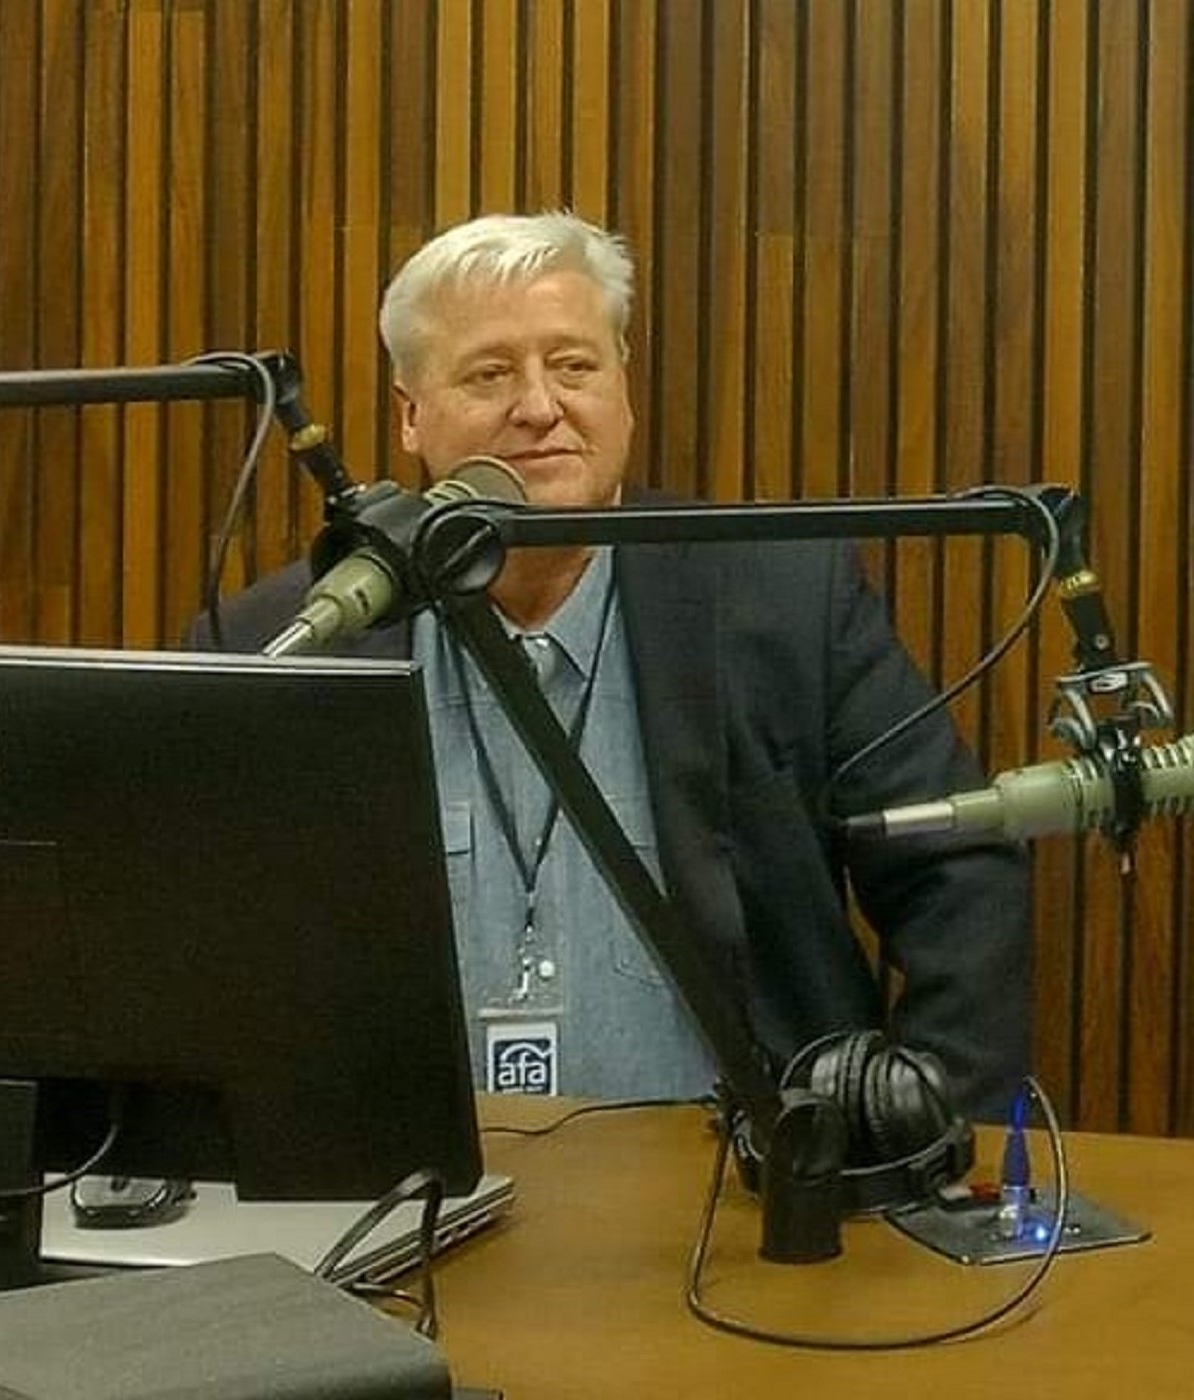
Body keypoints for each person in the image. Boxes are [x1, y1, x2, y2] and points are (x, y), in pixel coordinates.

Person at [189, 211, 1030, 1121]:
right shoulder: (279, 640)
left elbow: (960, 866)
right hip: (401, 1190)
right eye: (489, 373)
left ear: (623, 388)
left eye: (574, 365)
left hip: (729, 1186)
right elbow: (193, 935)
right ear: (410, 414)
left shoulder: (780, 598)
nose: (539, 407)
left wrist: (928, 1122)